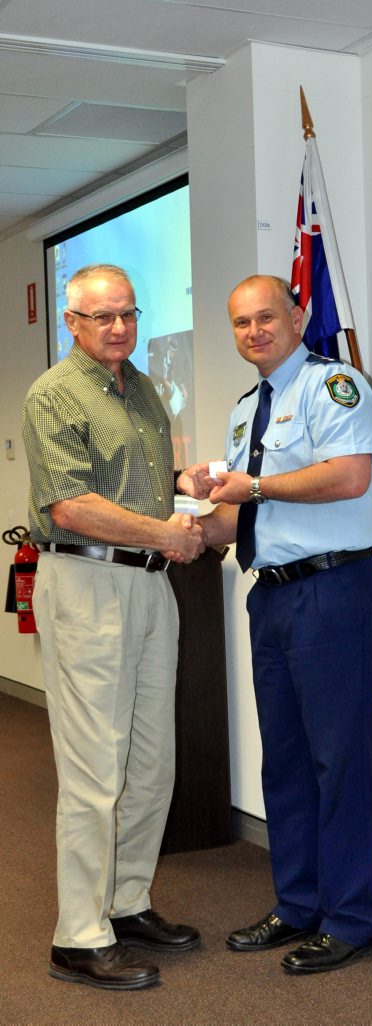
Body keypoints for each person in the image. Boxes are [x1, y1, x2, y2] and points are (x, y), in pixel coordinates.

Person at [177, 274, 372, 974]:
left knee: (341, 760)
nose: (254, 331)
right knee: (288, 762)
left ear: (297, 318)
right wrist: (180, 527)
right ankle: (297, 906)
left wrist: (255, 486)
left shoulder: (336, 387)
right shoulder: (246, 413)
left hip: (334, 592)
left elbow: (351, 476)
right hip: (272, 598)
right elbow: (239, 516)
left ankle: (351, 918)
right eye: (240, 323)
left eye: (266, 317)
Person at [21, 264, 205, 991]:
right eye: (102, 317)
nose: (119, 327)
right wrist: (164, 532)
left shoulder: (144, 389)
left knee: (151, 761)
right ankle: (79, 934)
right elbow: (69, 506)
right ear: (72, 322)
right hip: (89, 582)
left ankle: (127, 903)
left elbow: (145, 482)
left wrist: (188, 487)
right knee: (97, 767)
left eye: (127, 314)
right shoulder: (53, 394)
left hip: (151, 588)